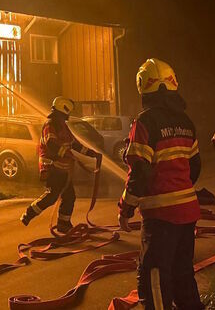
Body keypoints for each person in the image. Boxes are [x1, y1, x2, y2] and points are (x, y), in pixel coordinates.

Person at [117, 58, 203, 310]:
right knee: (183, 277)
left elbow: (139, 174)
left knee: (154, 282)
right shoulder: (186, 122)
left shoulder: (144, 122)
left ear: (144, 89)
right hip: (188, 214)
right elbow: (195, 167)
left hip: (160, 218)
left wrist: (125, 208)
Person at [21, 96, 99, 233]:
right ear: (62, 111)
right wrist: (66, 154)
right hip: (52, 167)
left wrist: (92, 154)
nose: (67, 116)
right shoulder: (50, 125)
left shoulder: (62, 125)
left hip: (62, 170)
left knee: (69, 196)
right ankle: (29, 213)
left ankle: (63, 223)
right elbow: (51, 144)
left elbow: (74, 144)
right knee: (52, 196)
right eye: (66, 113)